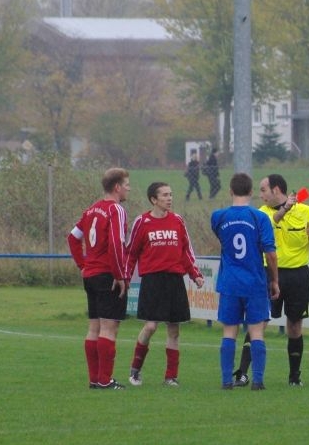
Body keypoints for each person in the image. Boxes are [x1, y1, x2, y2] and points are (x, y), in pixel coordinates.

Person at [233, 174, 309, 387]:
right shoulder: (261, 213)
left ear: (276, 190)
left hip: (298, 275)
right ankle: (243, 373)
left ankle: (294, 377)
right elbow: (271, 222)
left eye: (263, 190)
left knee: (295, 326)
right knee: (258, 322)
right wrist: (285, 209)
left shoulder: (306, 211)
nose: (260, 194)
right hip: (268, 273)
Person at [124, 182, 205, 387]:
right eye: (165, 195)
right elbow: (131, 253)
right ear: (154, 199)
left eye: (171, 194)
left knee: (174, 330)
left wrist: (195, 274)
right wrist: (125, 277)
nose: (169, 198)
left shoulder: (177, 220)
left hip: (174, 280)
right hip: (152, 281)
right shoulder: (142, 222)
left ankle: (171, 376)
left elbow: (185, 251)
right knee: (150, 326)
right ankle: (135, 369)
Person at [211, 173, 280, 390]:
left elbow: (224, 241)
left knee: (229, 332)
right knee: (257, 331)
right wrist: (274, 280)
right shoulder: (260, 218)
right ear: (251, 192)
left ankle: (226, 381)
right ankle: (258, 381)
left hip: (230, 282)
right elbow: (270, 254)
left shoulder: (218, 217)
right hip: (254, 282)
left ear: (230, 191)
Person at [67, 167, 131, 390]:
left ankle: (95, 379)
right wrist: (120, 275)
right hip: (107, 275)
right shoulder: (116, 209)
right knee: (109, 328)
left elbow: (73, 238)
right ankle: (105, 380)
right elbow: (116, 244)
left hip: (91, 275)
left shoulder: (91, 210)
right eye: (127, 185)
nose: (129, 189)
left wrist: (82, 265)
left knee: (94, 327)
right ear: (117, 187)